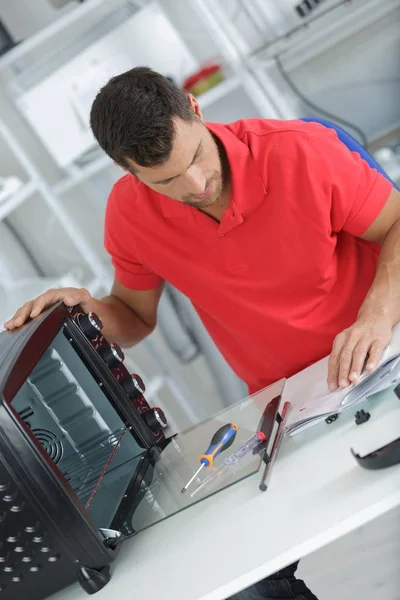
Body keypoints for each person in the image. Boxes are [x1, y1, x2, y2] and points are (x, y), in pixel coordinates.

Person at [4, 67, 400, 599]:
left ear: (195, 109)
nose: (195, 185)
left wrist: (375, 315)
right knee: (235, 577)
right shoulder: (128, 213)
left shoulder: (299, 151)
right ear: (127, 170)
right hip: (291, 408)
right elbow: (134, 317)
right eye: (166, 180)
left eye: (194, 158)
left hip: (386, 352)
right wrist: (90, 311)